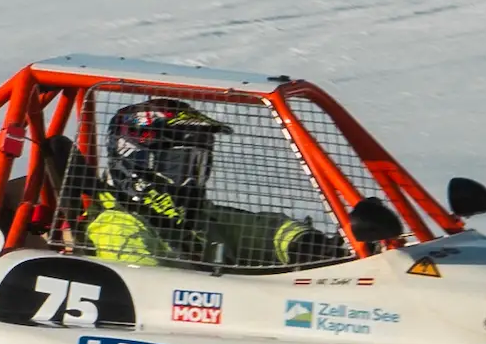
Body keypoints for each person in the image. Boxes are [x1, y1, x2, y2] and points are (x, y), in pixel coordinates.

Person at [79, 100, 343, 272]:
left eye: (198, 163)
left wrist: (305, 243)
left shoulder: (196, 220)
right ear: (136, 161)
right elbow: (149, 289)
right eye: (177, 164)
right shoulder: (118, 228)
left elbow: (266, 230)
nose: (190, 178)